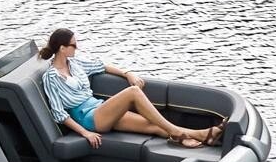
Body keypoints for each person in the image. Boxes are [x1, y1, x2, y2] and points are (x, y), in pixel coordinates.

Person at [38, 28, 221, 149]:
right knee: (133, 92)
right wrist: (85, 133)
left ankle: (204, 135)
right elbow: (59, 113)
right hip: (88, 118)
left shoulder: (76, 63)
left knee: (153, 126)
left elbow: (102, 66)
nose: (77, 48)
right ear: (62, 48)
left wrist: (128, 73)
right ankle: (180, 134)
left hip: (100, 108)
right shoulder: (51, 77)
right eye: (74, 45)